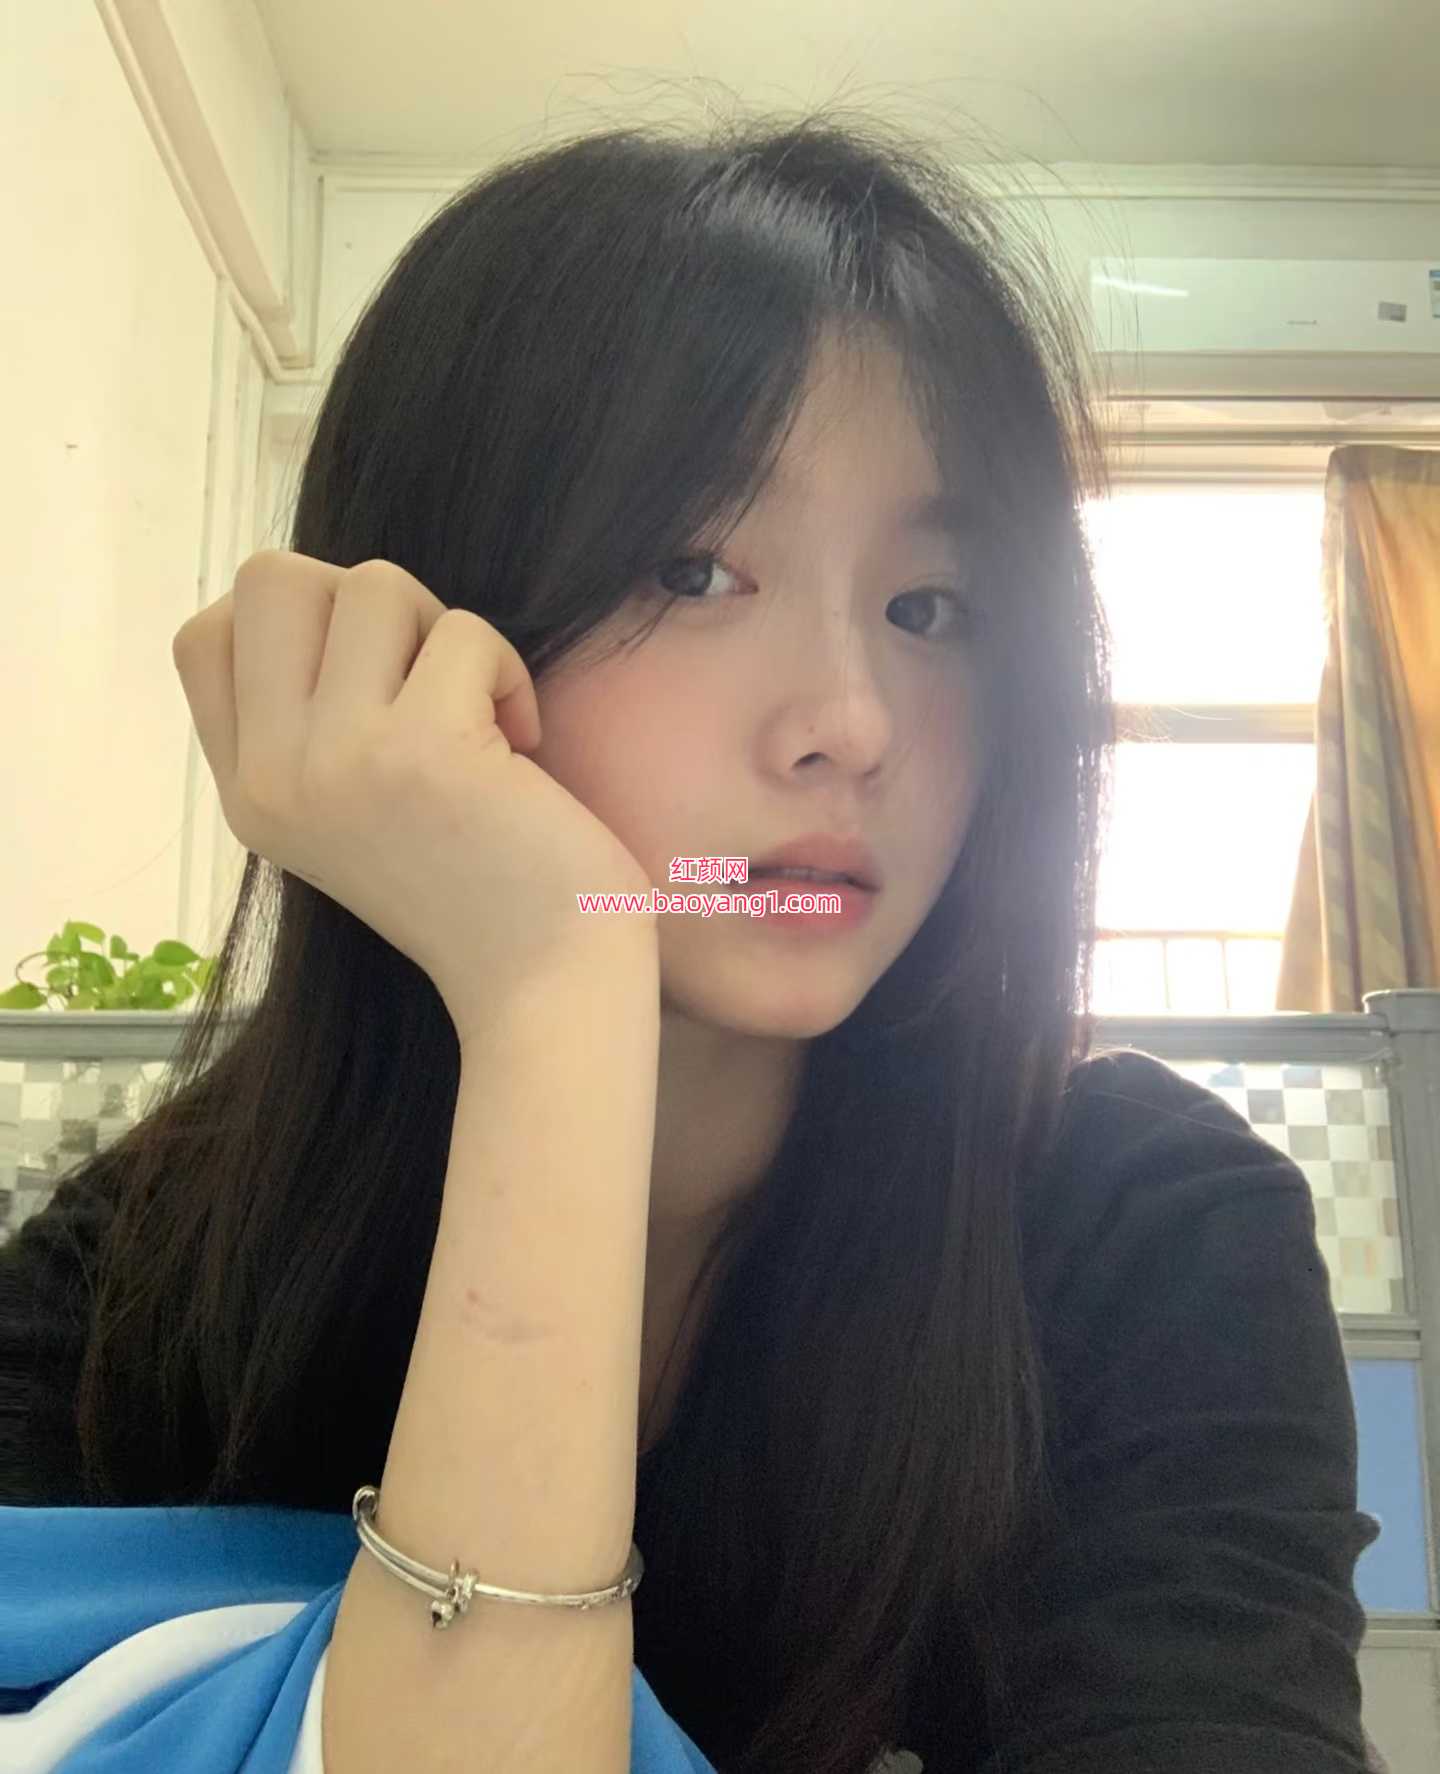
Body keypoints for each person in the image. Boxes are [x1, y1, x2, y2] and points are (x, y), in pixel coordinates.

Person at [0, 107, 1384, 1773]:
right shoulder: (146, 1269)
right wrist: (557, 996)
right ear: (433, 615)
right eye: (696, 567)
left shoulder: (1144, 1237)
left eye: (929, 607)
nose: (854, 721)